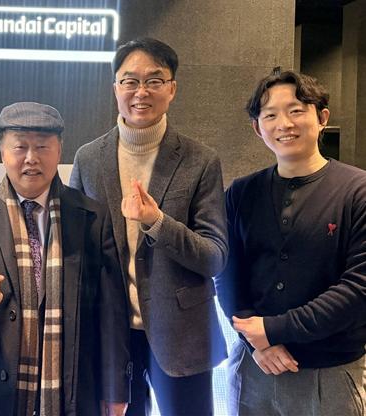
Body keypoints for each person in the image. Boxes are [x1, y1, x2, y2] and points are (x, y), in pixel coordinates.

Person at [70, 37, 229, 415]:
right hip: (110, 332)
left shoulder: (200, 161)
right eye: (130, 81)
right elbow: (75, 248)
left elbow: (214, 257)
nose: (141, 92)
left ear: (172, 88)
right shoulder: (89, 159)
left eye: (154, 81)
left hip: (182, 333)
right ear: (115, 88)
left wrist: (157, 223)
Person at [0, 102, 131, 416]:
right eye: (20, 147)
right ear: (2, 151)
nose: (31, 158)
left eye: (42, 146)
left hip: (72, 383)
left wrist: (115, 389)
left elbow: (111, 310)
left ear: (59, 150)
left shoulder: (92, 217)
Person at [215, 69, 366, 416]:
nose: (284, 124)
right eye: (270, 115)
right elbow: (226, 272)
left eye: (296, 110)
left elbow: (358, 288)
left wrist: (272, 329)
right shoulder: (241, 192)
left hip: (331, 369)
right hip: (255, 366)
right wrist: (255, 340)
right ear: (258, 128)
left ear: (322, 118)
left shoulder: (357, 191)